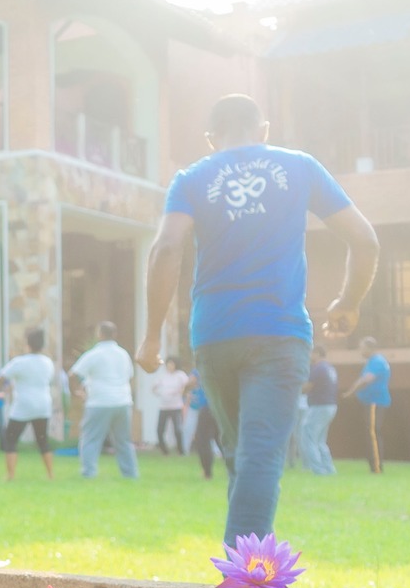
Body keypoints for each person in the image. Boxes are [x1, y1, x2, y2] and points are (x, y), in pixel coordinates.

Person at [138, 93, 378, 550]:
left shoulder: (191, 178)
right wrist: (348, 302)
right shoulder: (299, 166)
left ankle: (242, 562)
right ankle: (245, 577)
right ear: (263, 130)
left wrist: (151, 337)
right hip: (279, 333)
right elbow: (365, 240)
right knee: (261, 456)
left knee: (241, 456)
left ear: (211, 139)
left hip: (214, 335)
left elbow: (166, 250)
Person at [70, 321, 137, 479]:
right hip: (123, 401)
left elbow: (73, 374)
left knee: (91, 438)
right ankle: (130, 474)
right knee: (124, 441)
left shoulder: (94, 354)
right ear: (115, 335)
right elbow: (130, 376)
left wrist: (76, 392)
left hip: (99, 402)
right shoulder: (123, 354)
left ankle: (89, 472)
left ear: (99, 335)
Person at [0, 327, 58, 481]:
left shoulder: (19, 362)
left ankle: (10, 475)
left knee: (10, 439)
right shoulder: (48, 362)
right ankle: (50, 474)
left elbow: (1, 378)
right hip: (43, 404)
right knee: (42, 440)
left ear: (27, 344)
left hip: (23, 405)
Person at [343, 337, 392, 473]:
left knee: (372, 433)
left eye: (362, 347)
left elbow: (366, 379)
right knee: (371, 433)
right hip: (372, 402)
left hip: (374, 402)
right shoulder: (374, 361)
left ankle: (376, 467)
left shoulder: (376, 361)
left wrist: (351, 392)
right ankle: (374, 464)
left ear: (370, 348)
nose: (360, 350)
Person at [298, 345, 337, 476]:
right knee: (320, 440)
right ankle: (329, 469)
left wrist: (293, 388)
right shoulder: (329, 368)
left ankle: (318, 470)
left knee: (308, 436)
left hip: (319, 406)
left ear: (317, 353)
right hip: (330, 405)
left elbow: (306, 387)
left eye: (310, 353)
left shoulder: (318, 368)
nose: (309, 356)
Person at [152, 357, 191, 455]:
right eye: (168, 364)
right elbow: (154, 387)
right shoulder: (163, 376)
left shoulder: (180, 375)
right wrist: (159, 393)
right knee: (160, 430)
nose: (170, 366)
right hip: (164, 407)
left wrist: (181, 392)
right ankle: (164, 450)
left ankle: (180, 450)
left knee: (178, 430)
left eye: (171, 364)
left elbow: (187, 386)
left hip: (176, 406)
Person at [186, 370, 218, 479]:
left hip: (207, 408)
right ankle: (233, 470)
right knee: (220, 439)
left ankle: (207, 472)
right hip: (218, 407)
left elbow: (190, 382)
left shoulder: (201, 366)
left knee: (203, 440)